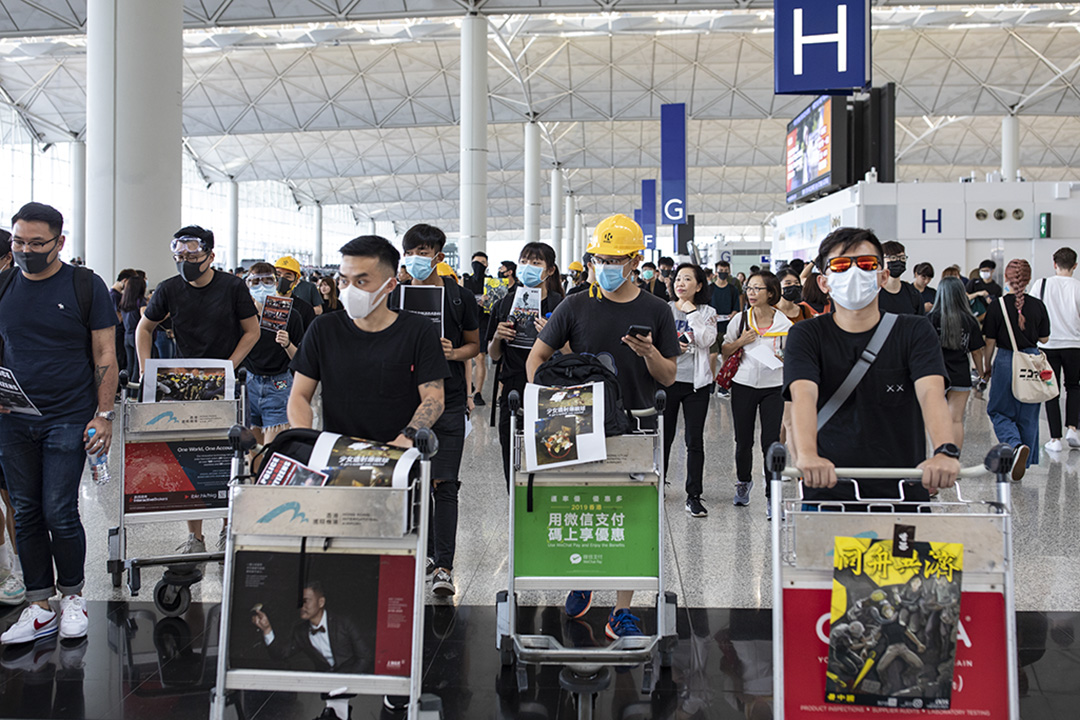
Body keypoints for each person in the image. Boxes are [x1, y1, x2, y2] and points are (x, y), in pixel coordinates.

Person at [527, 213, 679, 639]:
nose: (606, 266)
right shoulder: (575, 303)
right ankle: (582, 574)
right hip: (578, 425)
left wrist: (648, 352)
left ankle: (622, 609)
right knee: (580, 506)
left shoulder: (656, 309)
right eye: (599, 258)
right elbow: (536, 359)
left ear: (635, 261)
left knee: (634, 514)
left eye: (615, 259)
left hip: (637, 424)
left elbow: (668, 376)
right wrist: (548, 407)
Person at [0, 202, 119, 644]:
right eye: (18, 241)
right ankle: (38, 604)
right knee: (26, 512)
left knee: (59, 510)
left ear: (59, 243)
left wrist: (103, 415)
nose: (26, 250)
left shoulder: (84, 285)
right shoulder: (4, 285)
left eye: (36, 243)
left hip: (69, 416)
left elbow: (106, 355)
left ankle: (73, 596)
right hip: (13, 419)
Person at [784, 227, 960, 508]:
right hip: (828, 490)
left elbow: (931, 394)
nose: (854, 273)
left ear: (883, 276)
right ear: (824, 282)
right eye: (840, 265)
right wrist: (807, 455)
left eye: (867, 264)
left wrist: (944, 451)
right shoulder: (807, 335)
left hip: (903, 491)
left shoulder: (914, 331)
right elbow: (803, 396)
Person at [137, 225, 261, 554]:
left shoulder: (232, 287)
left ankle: (226, 526)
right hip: (183, 383)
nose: (186, 262)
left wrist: (230, 366)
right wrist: (146, 368)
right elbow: (144, 328)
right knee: (188, 456)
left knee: (225, 455)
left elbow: (252, 331)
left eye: (193, 255)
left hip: (225, 381)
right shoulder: (169, 289)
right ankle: (195, 535)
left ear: (210, 256)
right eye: (179, 256)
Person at [395, 224, 479, 596]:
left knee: (445, 483)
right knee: (411, 481)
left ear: (440, 257)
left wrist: (452, 352)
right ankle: (423, 554)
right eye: (411, 251)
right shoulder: (394, 296)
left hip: (450, 399)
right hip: (404, 400)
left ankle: (444, 565)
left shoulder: (460, 298)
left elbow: (474, 346)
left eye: (425, 252)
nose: (417, 258)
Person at [488, 242, 563, 486]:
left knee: (551, 452)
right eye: (524, 262)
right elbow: (494, 355)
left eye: (536, 263)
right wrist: (498, 337)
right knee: (511, 453)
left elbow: (573, 353)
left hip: (550, 389)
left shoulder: (561, 305)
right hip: (512, 387)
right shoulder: (504, 304)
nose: (527, 268)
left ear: (549, 270)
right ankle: (515, 507)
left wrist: (553, 338)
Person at [722, 271, 791, 516]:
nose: (751, 293)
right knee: (743, 440)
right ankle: (743, 483)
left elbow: (793, 356)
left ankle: (773, 494)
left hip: (774, 387)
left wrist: (784, 358)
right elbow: (725, 349)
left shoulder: (785, 325)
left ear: (770, 293)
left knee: (770, 442)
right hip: (744, 385)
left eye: (757, 289)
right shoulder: (740, 321)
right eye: (749, 288)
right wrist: (741, 341)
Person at [252, 580, 372, 720]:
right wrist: (267, 629)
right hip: (324, 694)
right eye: (299, 602)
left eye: (306, 601)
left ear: (321, 602)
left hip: (355, 693)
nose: (301, 606)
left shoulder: (344, 623)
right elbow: (281, 654)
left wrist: (347, 681)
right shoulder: (301, 631)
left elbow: (365, 657)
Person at [981, 259, 1049, 478]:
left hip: (1005, 361)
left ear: (1007, 279)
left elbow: (989, 341)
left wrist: (986, 366)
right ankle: (1024, 457)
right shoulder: (1038, 305)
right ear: (1028, 279)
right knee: (1028, 412)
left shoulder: (997, 305)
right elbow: (1044, 338)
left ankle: (1015, 444)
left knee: (998, 410)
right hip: (1031, 360)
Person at [662, 263, 717, 517]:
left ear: (699, 285)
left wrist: (691, 311)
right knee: (664, 438)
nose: (680, 284)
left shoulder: (707, 312)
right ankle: (658, 484)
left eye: (687, 279)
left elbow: (706, 339)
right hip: (668, 381)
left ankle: (693, 495)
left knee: (694, 441)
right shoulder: (663, 309)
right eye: (677, 279)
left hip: (696, 385)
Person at [243, 263, 305, 448]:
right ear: (248, 284)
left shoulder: (292, 316)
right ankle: (255, 478)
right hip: (249, 383)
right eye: (255, 281)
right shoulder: (244, 317)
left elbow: (300, 360)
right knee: (252, 448)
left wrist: (287, 344)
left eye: (268, 280)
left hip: (279, 385)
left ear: (276, 282)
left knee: (271, 450)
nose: (261, 286)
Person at [927, 277, 985, 450]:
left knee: (934, 419)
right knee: (956, 420)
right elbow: (976, 351)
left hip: (935, 374)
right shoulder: (970, 320)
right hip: (960, 374)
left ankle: (936, 456)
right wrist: (981, 372)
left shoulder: (931, 318)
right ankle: (954, 460)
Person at [1031, 248, 1080, 452]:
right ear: (1075, 266)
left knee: (1051, 390)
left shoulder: (1041, 285)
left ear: (1054, 264)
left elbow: (1032, 311)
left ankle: (1055, 439)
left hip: (1047, 346)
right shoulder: (1078, 287)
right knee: (1074, 387)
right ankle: (1072, 429)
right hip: (1074, 345)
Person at [708, 260, 742, 394]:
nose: (723, 274)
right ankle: (711, 381)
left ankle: (723, 383)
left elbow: (736, 307)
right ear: (716, 272)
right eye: (720, 271)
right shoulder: (710, 289)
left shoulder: (732, 289)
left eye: (725, 271)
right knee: (712, 355)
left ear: (729, 272)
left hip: (728, 326)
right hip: (712, 326)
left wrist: (732, 314)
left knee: (725, 356)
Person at [462, 251, 491, 408]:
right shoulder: (465, 280)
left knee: (480, 358)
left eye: (482, 262)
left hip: (482, 322)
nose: (478, 265)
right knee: (466, 358)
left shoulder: (491, 282)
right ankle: (468, 389)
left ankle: (477, 391)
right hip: (466, 322)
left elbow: (496, 305)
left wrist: (487, 302)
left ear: (486, 265)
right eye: (476, 262)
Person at [877, 241, 924, 316]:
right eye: (893, 258)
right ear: (881, 260)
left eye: (902, 258)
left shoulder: (913, 294)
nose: (898, 261)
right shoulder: (874, 293)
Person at [117, 273, 148, 383]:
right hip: (137, 336)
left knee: (129, 366)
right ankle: (134, 394)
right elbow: (145, 317)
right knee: (138, 367)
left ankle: (127, 393)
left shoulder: (124, 301)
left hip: (127, 336)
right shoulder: (141, 301)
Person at [274, 256, 318, 329]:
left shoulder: (306, 310)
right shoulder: (263, 304)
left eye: (287, 277)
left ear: (296, 281)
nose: (281, 279)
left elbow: (309, 338)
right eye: (278, 275)